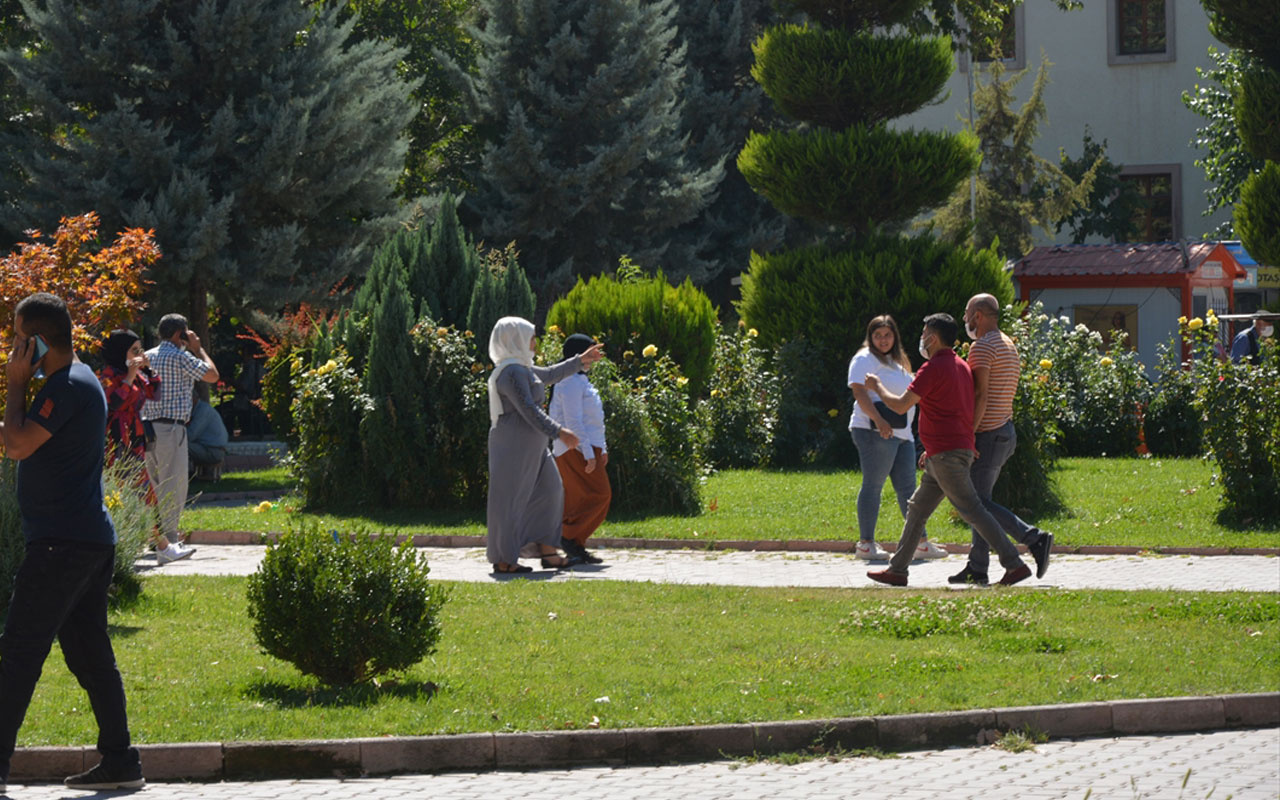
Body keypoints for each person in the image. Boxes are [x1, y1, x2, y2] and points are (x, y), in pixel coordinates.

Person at [0, 292, 145, 790]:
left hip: (62, 544)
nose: (14, 349)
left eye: (19, 339)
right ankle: (121, 762)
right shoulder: (72, 382)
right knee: (88, 655)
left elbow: (17, 444)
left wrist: (14, 386)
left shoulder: (66, 386)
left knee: (18, 654)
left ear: (38, 341)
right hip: (84, 540)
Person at [863, 313, 1033, 587]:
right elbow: (959, 410)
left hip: (946, 454)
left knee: (973, 509)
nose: (921, 338)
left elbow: (900, 405)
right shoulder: (961, 366)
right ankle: (897, 570)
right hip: (945, 452)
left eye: (924, 332)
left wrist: (877, 386)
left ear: (932, 337)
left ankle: (1014, 564)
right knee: (917, 509)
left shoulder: (932, 369)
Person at [949, 295, 1053, 586]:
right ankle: (977, 567)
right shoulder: (1007, 343)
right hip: (1005, 430)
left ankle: (1034, 538)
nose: (966, 318)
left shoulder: (982, 347)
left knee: (975, 504)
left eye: (968, 312)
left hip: (988, 434)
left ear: (979, 315)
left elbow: (980, 395)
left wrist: (969, 435)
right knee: (980, 503)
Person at [486, 317, 602, 574]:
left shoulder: (522, 368)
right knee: (510, 501)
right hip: (513, 446)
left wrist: (579, 361)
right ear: (515, 339)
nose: (534, 343)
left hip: (534, 446)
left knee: (551, 491)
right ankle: (504, 560)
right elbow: (527, 409)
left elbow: (549, 374)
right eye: (530, 337)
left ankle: (547, 551)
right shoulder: (510, 372)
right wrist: (559, 432)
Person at [846, 315, 944, 561]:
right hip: (874, 430)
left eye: (887, 335)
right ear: (870, 337)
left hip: (902, 434)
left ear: (895, 336)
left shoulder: (898, 360)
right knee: (874, 484)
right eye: (877, 335)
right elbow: (859, 391)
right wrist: (879, 421)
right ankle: (866, 544)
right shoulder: (864, 358)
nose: (883, 340)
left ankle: (920, 542)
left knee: (908, 489)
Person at [97, 328, 195, 565]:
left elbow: (154, 392)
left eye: (140, 349)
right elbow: (115, 403)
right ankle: (162, 547)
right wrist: (130, 376)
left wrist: (147, 368)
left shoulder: (136, 374)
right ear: (121, 352)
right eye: (134, 350)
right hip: (116, 442)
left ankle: (156, 546)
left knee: (141, 494)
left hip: (134, 440)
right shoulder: (108, 375)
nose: (139, 354)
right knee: (137, 494)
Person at [140, 314, 218, 553]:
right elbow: (213, 375)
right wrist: (199, 349)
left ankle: (156, 538)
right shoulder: (182, 357)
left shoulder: (147, 356)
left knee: (153, 486)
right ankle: (171, 542)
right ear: (179, 334)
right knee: (174, 484)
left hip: (146, 429)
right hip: (171, 428)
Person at [549, 334, 610, 564]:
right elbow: (574, 422)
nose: (596, 356)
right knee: (600, 495)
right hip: (573, 448)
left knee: (580, 500)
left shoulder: (580, 380)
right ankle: (568, 537)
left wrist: (601, 448)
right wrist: (587, 453)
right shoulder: (569, 381)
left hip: (585, 447)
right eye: (591, 351)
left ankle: (575, 545)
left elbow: (594, 419)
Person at [187, 395, 229, 480]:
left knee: (180, 445)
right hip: (210, 448)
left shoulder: (202, 411)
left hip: (213, 451)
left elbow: (190, 435)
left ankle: (182, 474)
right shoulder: (201, 409)